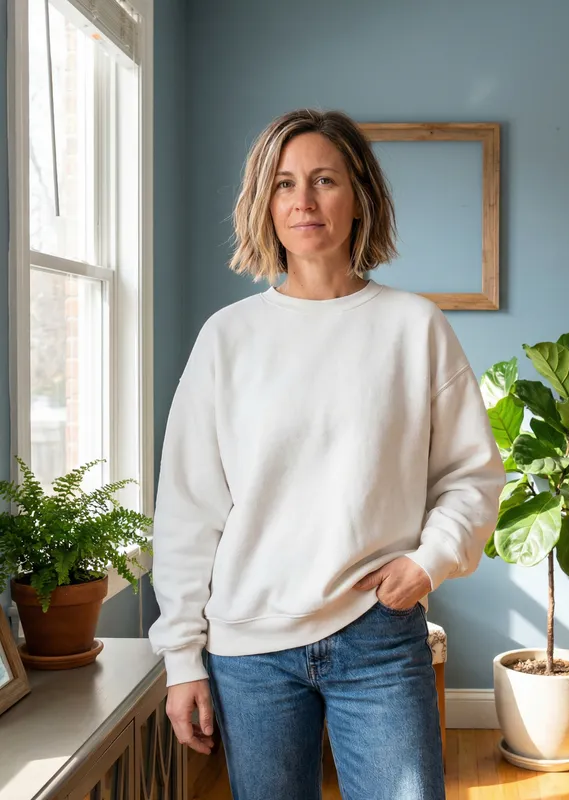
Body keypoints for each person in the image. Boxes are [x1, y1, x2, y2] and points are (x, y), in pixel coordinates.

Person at [148, 108, 506, 800]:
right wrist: (181, 660)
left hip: (376, 637)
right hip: (250, 650)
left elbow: (472, 475)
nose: (304, 201)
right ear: (264, 204)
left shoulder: (413, 328)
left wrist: (428, 562)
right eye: (284, 184)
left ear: (360, 197)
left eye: (324, 180)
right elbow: (190, 512)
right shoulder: (228, 339)